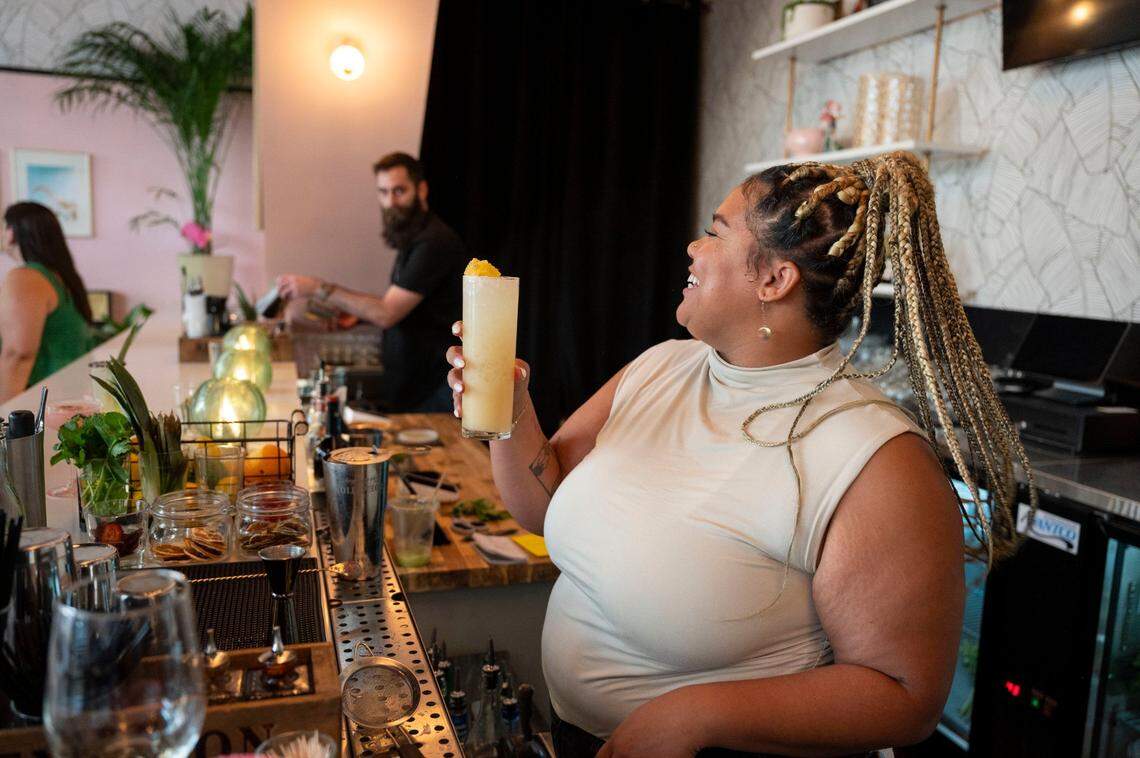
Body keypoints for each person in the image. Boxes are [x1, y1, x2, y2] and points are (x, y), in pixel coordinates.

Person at [446, 152, 1035, 757]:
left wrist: (689, 716)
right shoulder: (659, 367)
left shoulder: (873, 455)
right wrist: (510, 408)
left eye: (715, 232)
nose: (692, 248)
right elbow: (543, 506)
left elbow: (904, 695)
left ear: (774, 280)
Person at [278, 152, 468, 412]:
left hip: (434, 388)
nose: (391, 202)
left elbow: (387, 312)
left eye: (399, 191)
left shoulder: (434, 242)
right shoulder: (414, 240)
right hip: (412, 385)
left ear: (421, 189)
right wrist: (359, 316)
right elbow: (403, 308)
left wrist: (317, 288)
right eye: (383, 192)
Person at [0, 202, 94, 402]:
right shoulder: (61, 278)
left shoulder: (26, 278)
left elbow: (18, 354)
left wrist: (4, 413)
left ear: (11, 233)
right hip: (65, 401)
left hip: (38, 405)